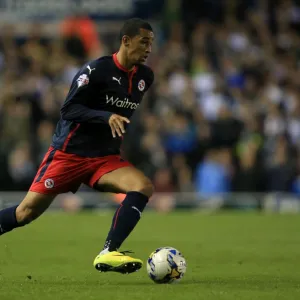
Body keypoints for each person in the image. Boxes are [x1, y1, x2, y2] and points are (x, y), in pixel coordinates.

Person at [0, 18, 155, 275]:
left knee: (143, 187)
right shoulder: (95, 71)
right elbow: (68, 109)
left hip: (104, 158)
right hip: (68, 155)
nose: (149, 49)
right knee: (24, 213)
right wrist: (105, 117)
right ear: (126, 41)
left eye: (151, 43)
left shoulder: (144, 77)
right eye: (144, 42)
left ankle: (109, 251)